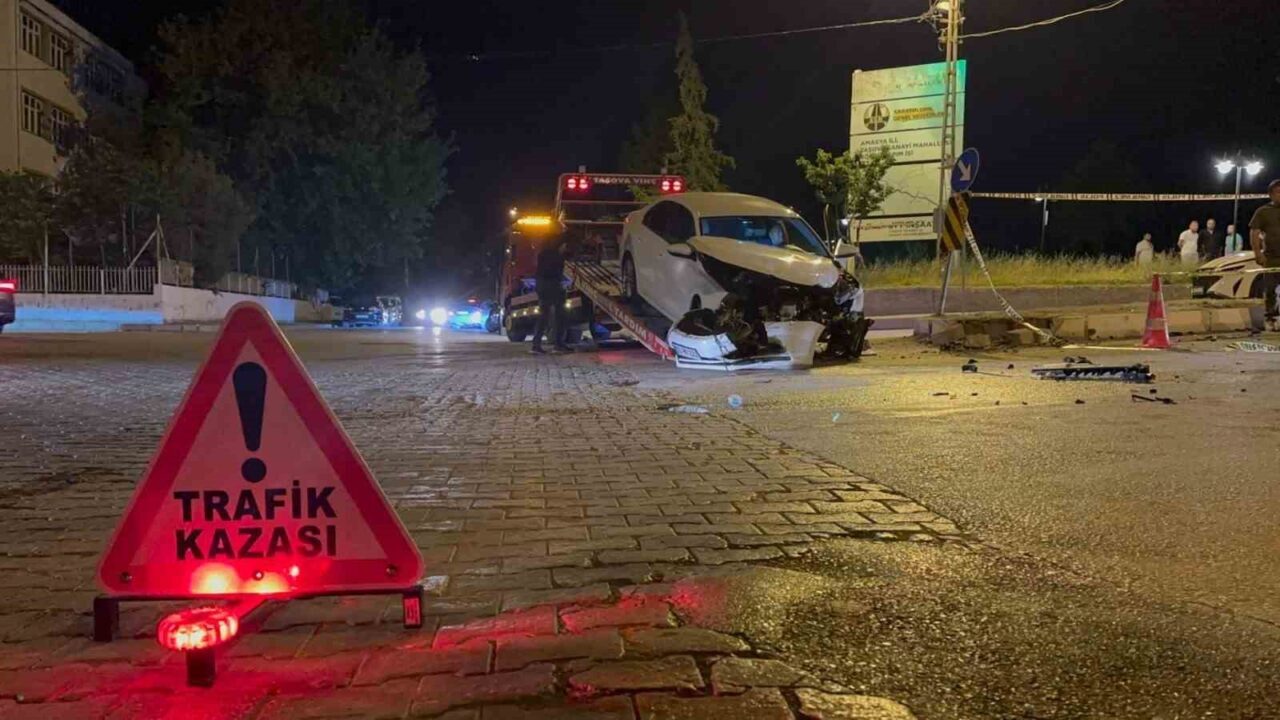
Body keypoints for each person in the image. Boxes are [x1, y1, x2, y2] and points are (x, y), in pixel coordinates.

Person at [530, 233, 572, 354]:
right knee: (560, 314)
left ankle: (536, 345)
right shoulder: (556, 256)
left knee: (544, 315)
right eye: (565, 245)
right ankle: (558, 344)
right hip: (551, 286)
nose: (565, 248)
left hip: (542, 286)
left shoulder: (545, 253)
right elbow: (556, 272)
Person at [1248, 179, 1280, 331]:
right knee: (1270, 289)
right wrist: (1257, 252)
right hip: (1271, 258)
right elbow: (1254, 232)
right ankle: (1270, 317)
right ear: (1271, 195)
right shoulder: (1263, 211)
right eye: (1279, 192)